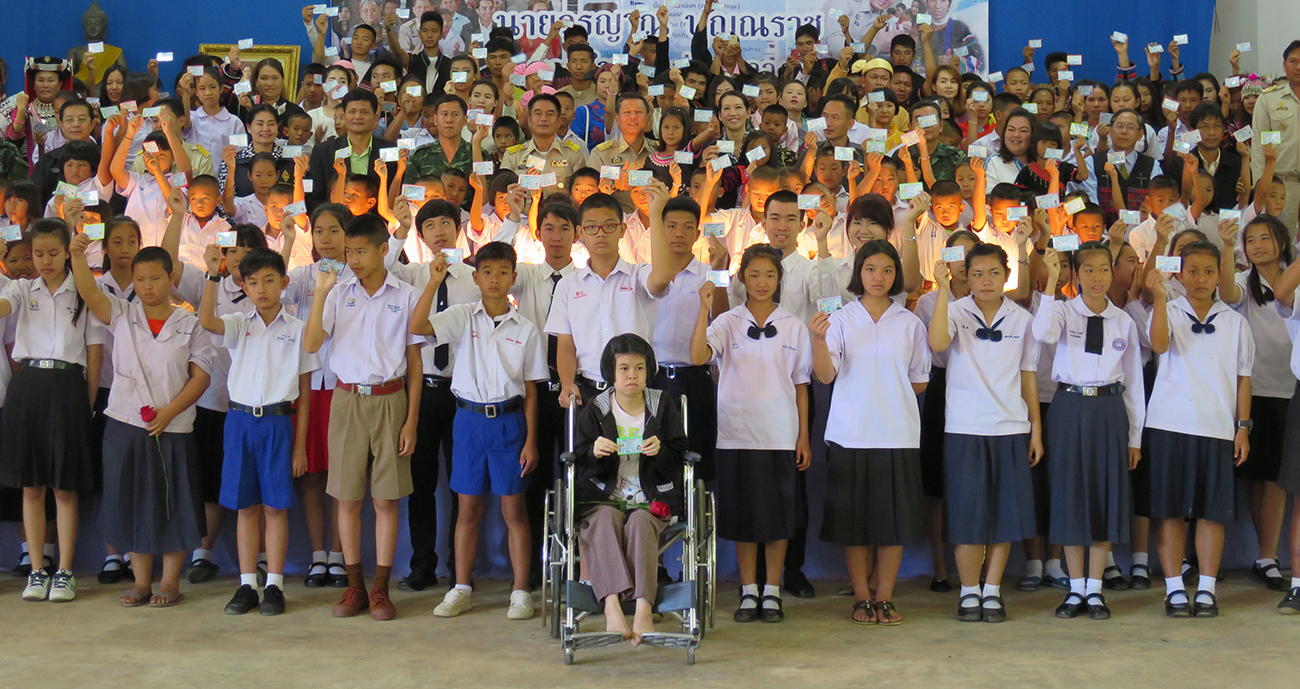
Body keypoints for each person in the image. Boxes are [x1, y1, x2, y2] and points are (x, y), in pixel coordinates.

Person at [68, 225, 212, 608]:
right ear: (133, 282)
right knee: (129, 500)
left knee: (172, 501)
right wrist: (78, 255)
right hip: (125, 422)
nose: (148, 286)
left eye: (156, 278)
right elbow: (87, 291)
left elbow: (201, 377)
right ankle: (141, 582)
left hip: (175, 426)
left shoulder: (190, 323)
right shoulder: (121, 313)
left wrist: (169, 412)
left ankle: (170, 583)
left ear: (171, 278)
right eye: (141, 279)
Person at [410, 242, 547, 620]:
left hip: (509, 423)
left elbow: (532, 390)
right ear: (476, 277)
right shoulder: (462, 316)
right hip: (468, 422)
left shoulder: (527, 329)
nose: (494, 279)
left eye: (503, 272)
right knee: (467, 508)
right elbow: (418, 326)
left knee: (513, 509)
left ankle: (520, 590)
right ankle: (462, 587)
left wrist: (531, 441)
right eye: (487, 272)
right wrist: (433, 280)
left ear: (513, 278)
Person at [303, 214, 423, 621]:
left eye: (360, 251)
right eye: (348, 252)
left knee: (385, 498)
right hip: (347, 399)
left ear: (382, 250)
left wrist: (411, 421)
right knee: (347, 497)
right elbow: (312, 343)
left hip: (391, 399)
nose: (352, 259)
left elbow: (415, 363)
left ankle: (381, 591)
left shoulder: (405, 295)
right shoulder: (338, 293)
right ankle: (354, 587)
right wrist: (321, 291)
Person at [690, 243, 812, 624]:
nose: (762, 282)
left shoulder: (793, 325)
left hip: (780, 434)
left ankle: (772, 591)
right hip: (737, 434)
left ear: (780, 279)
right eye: (754, 274)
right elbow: (697, 357)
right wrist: (704, 307)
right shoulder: (727, 322)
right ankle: (748, 591)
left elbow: (801, 385)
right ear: (741, 279)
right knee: (743, 517)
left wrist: (803, 436)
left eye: (770, 275)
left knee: (778, 518)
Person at [810, 239, 930, 626]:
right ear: (858, 273)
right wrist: (817, 340)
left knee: (892, 525)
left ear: (896, 276)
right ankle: (861, 597)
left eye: (888, 270)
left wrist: (886, 396)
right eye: (871, 269)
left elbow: (919, 381)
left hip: (897, 435)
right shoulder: (841, 320)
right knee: (855, 524)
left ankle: (886, 597)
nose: (879, 278)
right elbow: (826, 375)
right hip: (851, 434)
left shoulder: (910, 323)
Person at [199, 247, 319, 616]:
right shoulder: (239, 322)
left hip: (278, 422)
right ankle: (246, 584)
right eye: (253, 282)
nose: (262, 289)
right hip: (239, 422)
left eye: (269, 280)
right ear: (244, 286)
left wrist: (300, 448)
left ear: (284, 283)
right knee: (246, 509)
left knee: (275, 508)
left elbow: (306, 392)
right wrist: (211, 274)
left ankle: (276, 586)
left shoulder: (299, 330)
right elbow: (206, 321)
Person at [928, 243, 1042, 623]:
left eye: (994, 273)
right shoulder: (956, 312)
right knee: (967, 516)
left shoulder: (1022, 319)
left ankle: (992, 590)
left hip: (1010, 426)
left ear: (1006, 276)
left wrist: (1036, 429)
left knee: (1004, 514)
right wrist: (943, 290)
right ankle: (969, 590)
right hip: (964, 427)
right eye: (976, 274)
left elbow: (1028, 375)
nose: (986, 281)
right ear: (966, 277)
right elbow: (937, 344)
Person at [1034, 243, 1146, 620]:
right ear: (1076, 275)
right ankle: (1075, 587)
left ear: (1112, 273)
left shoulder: (1124, 322)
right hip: (1070, 407)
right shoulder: (1063, 311)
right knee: (1070, 494)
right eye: (1088, 271)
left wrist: (1135, 437)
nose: (1097, 278)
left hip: (1109, 409)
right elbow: (1043, 334)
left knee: (1104, 496)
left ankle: (1095, 589)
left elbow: (1133, 383)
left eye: (1103, 270)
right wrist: (1051, 282)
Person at [1144, 238, 1253, 618]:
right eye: (1193, 271)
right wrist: (1158, 297)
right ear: (1180, 274)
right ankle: (1174, 589)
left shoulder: (1236, 322)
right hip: (1169, 425)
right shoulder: (1169, 310)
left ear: (1220, 274)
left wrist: (1242, 428)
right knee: (1171, 512)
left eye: (1210, 271)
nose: (1202, 279)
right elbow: (1158, 345)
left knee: (1212, 513)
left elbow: (1243, 379)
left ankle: (1206, 589)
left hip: (1217, 427)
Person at [0, 218, 104, 602]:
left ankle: (65, 571)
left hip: (68, 387)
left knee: (64, 486)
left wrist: (88, 403)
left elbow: (95, 354)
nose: (44, 261)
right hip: (28, 386)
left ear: (68, 252)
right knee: (32, 485)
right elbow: (3, 306)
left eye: (52, 253)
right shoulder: (21, 288)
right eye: (37, 254)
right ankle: (38, 571)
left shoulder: (84, 291)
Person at [571, 333, 687, 643]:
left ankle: (642, 609)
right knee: (606, 520)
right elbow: (577, 457)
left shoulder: (662, 405)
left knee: (638, 521)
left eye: (638, 368)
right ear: (611, 372)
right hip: (603, 497)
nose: (631, 375)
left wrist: (661, 450)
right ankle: (611, 606)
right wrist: (593, 452)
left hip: (652, 497)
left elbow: (679, 456)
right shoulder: (596, 408)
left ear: (649, 371)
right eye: (624, 369)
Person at [1217, 215, 1294, 593]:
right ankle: (1264, 557)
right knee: (1257, 475)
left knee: (1278, 478)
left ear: (1282, 242)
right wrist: (1228, 247)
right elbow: (1227, 295)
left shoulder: (1292, 277)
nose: (1259, 245)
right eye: (1252, 240)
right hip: (1257, 389)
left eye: (1266, 238)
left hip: (1290, 386)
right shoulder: (1245, 282)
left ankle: (1267, 556)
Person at [1249, 41, 1300, 235]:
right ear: (1284, 65)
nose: (1298, 66)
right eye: (1293, 61)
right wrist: (1261, 191)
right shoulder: (1268, 99)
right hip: (1280, 186)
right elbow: (1258, 148)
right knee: (1280, 241)